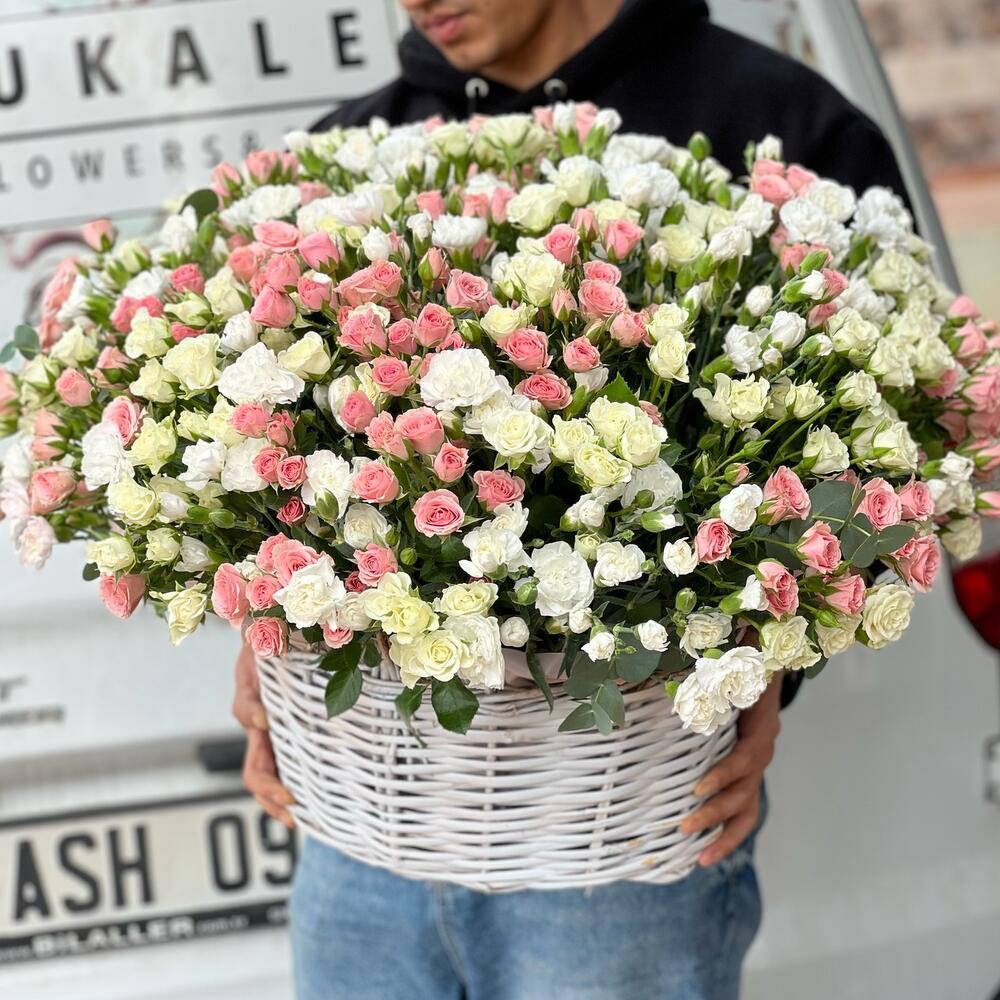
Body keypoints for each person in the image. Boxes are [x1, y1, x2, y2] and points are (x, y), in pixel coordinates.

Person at [232, 2, 910, 997]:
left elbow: (890, 459)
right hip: (367, 843)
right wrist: (259, 641)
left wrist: (769, 670)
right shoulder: (351, 155)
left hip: (621, 848)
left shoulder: (775, 125)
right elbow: (255, 460)